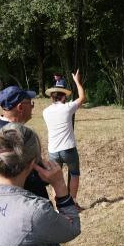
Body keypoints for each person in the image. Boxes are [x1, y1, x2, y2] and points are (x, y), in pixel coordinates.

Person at [0, 86, 49, 199]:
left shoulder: (0, 129)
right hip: (29, 202)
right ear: (21, 107)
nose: (32, 107)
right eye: (31, 103)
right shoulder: (13, 135)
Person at [43, 70, 85, 208]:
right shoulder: (67, 108)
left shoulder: (45, 112)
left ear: (52, 97)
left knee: (56, 178)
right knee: (74, 174)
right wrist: (77, 81)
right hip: (68, 148)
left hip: (53, 150)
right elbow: (82, 97)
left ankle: (60, 205)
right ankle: (72, 202)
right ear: (63, 97)